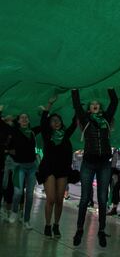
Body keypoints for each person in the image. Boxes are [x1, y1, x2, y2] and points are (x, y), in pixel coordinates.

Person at [71, 88, 118, 247]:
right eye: (92, 104)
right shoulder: (85, 120)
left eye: (97, 104)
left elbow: (115, 102)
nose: (95, 105)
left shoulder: (106, 119)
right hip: (89, 163)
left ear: (100, 107)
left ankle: (101, 231)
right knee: (84, 199)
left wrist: (111, 89)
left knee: (103, 199)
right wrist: (75, 91)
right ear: (89, 108)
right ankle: (79, 230)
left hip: (104, 163)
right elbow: (77, 106)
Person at [37, 95, 77, 238]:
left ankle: (56, 225)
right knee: (51, 199)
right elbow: (43, 121)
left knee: (60, 200)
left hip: (63, 169)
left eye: (58, 119)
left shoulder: (66, 135)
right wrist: (49, 103)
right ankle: (47, 225)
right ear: (50, 124)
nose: (56, 122)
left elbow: (75, 122)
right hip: (49, 168)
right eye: (53, 121)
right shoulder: (47, 135)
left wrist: (78, 105)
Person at [0, 106, 41, 229]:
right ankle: (14, 212)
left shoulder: (33, 132)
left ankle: (26, 220)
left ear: (28, 121)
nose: (24, 119)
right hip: (19, 166)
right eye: (21, 117)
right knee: (17, 192)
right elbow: (2, 125)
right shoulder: (14, 131)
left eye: (26, 117)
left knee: (29, 195)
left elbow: (44, 126)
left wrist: (46, 111)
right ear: (18, 121)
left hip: (32, 167)